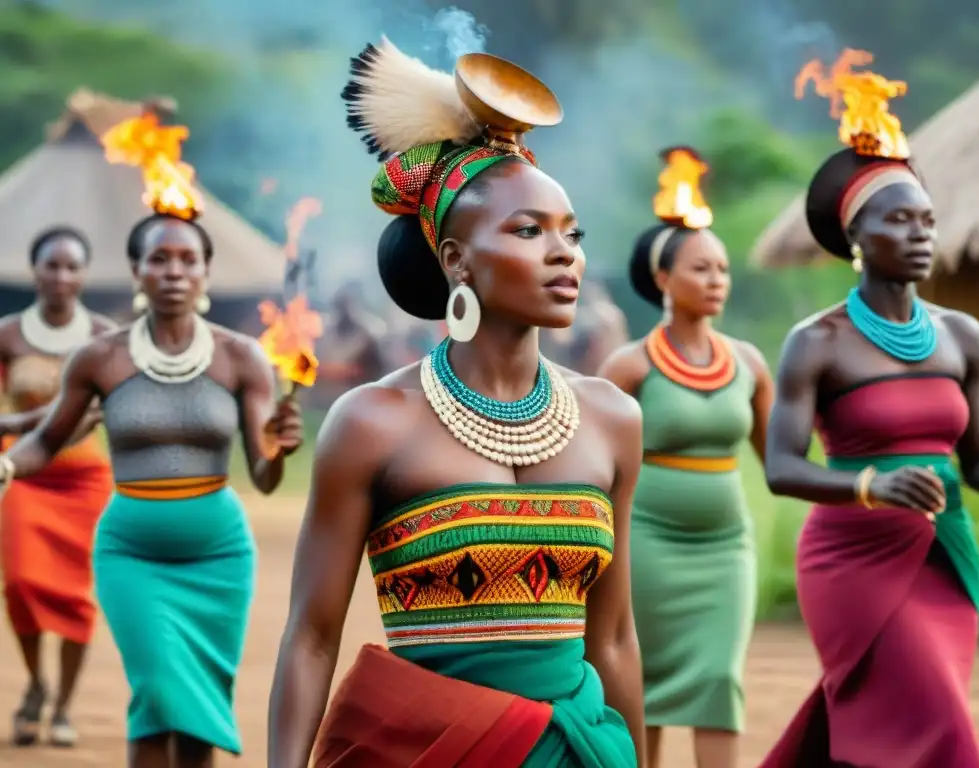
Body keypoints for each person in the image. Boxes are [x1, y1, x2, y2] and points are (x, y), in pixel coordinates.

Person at [268, 38, 645, 768]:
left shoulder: (612, 420)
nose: (563, 252)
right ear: (456, 261)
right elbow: (312, 637)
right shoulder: (374, 423)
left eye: (572, 234)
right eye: (529, 231)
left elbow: (615, 639)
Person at [758, 59, 979, 767]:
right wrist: (871, 486)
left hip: (946, 552)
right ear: (856, 238)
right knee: (935, 728)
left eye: (928, 219)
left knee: (900, 727)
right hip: (853, 557)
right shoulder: (816, 342)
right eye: (898, 218)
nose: (920, 233)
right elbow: (781, 467)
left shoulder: (961, 334)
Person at [0, 210, 305, 768]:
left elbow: (263, 477)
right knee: (159, 696)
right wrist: (9, 469)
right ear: (136, 270)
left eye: (188, 260)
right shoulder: (100, 357)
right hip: (132, 555)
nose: (174, 271)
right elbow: (47, 440)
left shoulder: (242, 357)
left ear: (207, 272)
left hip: (219, 558)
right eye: (159, 259)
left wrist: (278, 451)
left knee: (196, 718)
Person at [599, 148, 773, 768]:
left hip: (725, 547)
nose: (718, 279)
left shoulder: (750, 364)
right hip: (646, 542)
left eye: (723, 268)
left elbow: (779, 462)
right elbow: (591, 463)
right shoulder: (628, 366)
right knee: (639, 683)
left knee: (718, 679)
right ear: (664, 280)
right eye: (702, 268)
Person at [0, 226, 115, 748]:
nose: (62, 275)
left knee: (74, 594)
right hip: (22, 475)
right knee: (21, 584)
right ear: (35, 271)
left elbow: (109, 410)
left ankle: (63, 704)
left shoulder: (105, 337)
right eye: (52, 265)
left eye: (72, 266)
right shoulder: (8, 334)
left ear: (84, 275)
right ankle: (35, 686)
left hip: (85, 481)